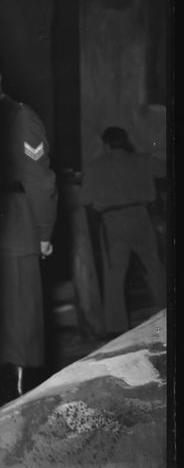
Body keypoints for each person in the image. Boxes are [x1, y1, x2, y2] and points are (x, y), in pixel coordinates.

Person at [0, 70, 58, 403]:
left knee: (14, 326)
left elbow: (38, 181)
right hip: (0, 232)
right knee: (13, 326)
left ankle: (15, 408)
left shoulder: (19, 117)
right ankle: (6, 411)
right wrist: (42, 233)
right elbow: (42, 182)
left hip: (3, 229)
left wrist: (42, 232)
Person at [80, 126, 166, 336]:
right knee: (155, 269)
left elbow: (86, 199)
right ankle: (167, 312)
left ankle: (117, 329)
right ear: (125, 141)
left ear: (106, 144)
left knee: (114, 277)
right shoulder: (143, 159)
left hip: (114, 222)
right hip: (141, 217)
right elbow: (164, 169)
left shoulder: (96, 166)